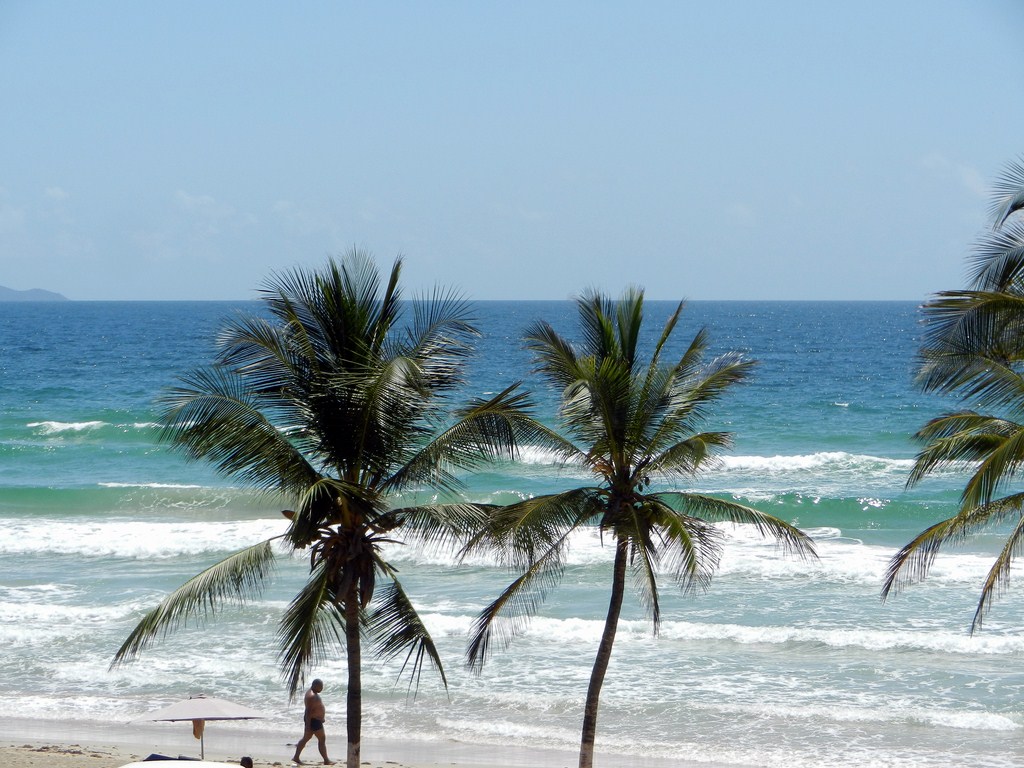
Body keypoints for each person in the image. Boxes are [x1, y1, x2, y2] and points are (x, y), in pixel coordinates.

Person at [291, 678, 334, 765]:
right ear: (315, 686)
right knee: (322, 739)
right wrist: (308, 726)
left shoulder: (312, 693)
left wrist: (321, 717)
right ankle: (326, 760)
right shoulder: (312, 696)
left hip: (314, 720)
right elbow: (308, 712)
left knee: (305, 739)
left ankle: (296, 757)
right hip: (314, 721)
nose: (322, 688)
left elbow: (314, 709)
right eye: (321, 687)